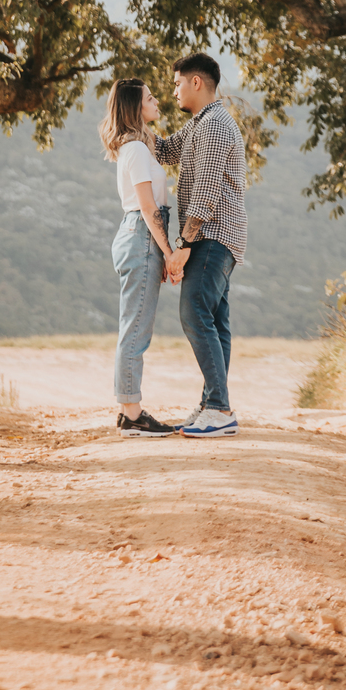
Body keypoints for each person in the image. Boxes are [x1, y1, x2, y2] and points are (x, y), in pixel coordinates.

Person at [155, 53, 246, 439]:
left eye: (177, 83)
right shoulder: (200, 124)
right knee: (215, 321)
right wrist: (132, 119)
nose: (173, 90)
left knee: (194, 311)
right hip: (220, 238)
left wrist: (182, 245)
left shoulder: (215, 127)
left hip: (212, 236)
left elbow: (206, 194)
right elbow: (163, 151)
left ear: (196, 82)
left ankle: (219, 408)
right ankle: (213, 402)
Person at [101, 78, 178, 437]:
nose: (157, 99)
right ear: (136, 107)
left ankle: (128, 410)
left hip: (140, 237)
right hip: (142, 235)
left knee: (135, 325)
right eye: (150, 97)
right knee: (135, 328)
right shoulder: (134, 149)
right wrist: (169, 252)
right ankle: (132, 415)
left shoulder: (139, 147)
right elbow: (148, 208)